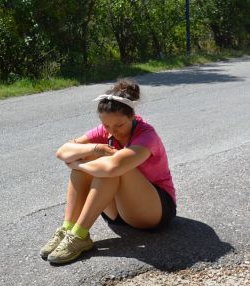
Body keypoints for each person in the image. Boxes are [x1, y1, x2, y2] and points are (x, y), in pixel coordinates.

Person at [40, 79, 176, 264]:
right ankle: (69, 229)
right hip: (118, 214)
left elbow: (113, 168)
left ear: (132, 117)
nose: (113, 132)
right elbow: (62, 152)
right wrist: (96, 148)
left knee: (111, 166)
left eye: (119, 126)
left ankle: (79, 236)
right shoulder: (107, 130)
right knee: (89, 157)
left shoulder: (147, 135)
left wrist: (78, 166)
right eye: (106, 126)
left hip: (154, 211)